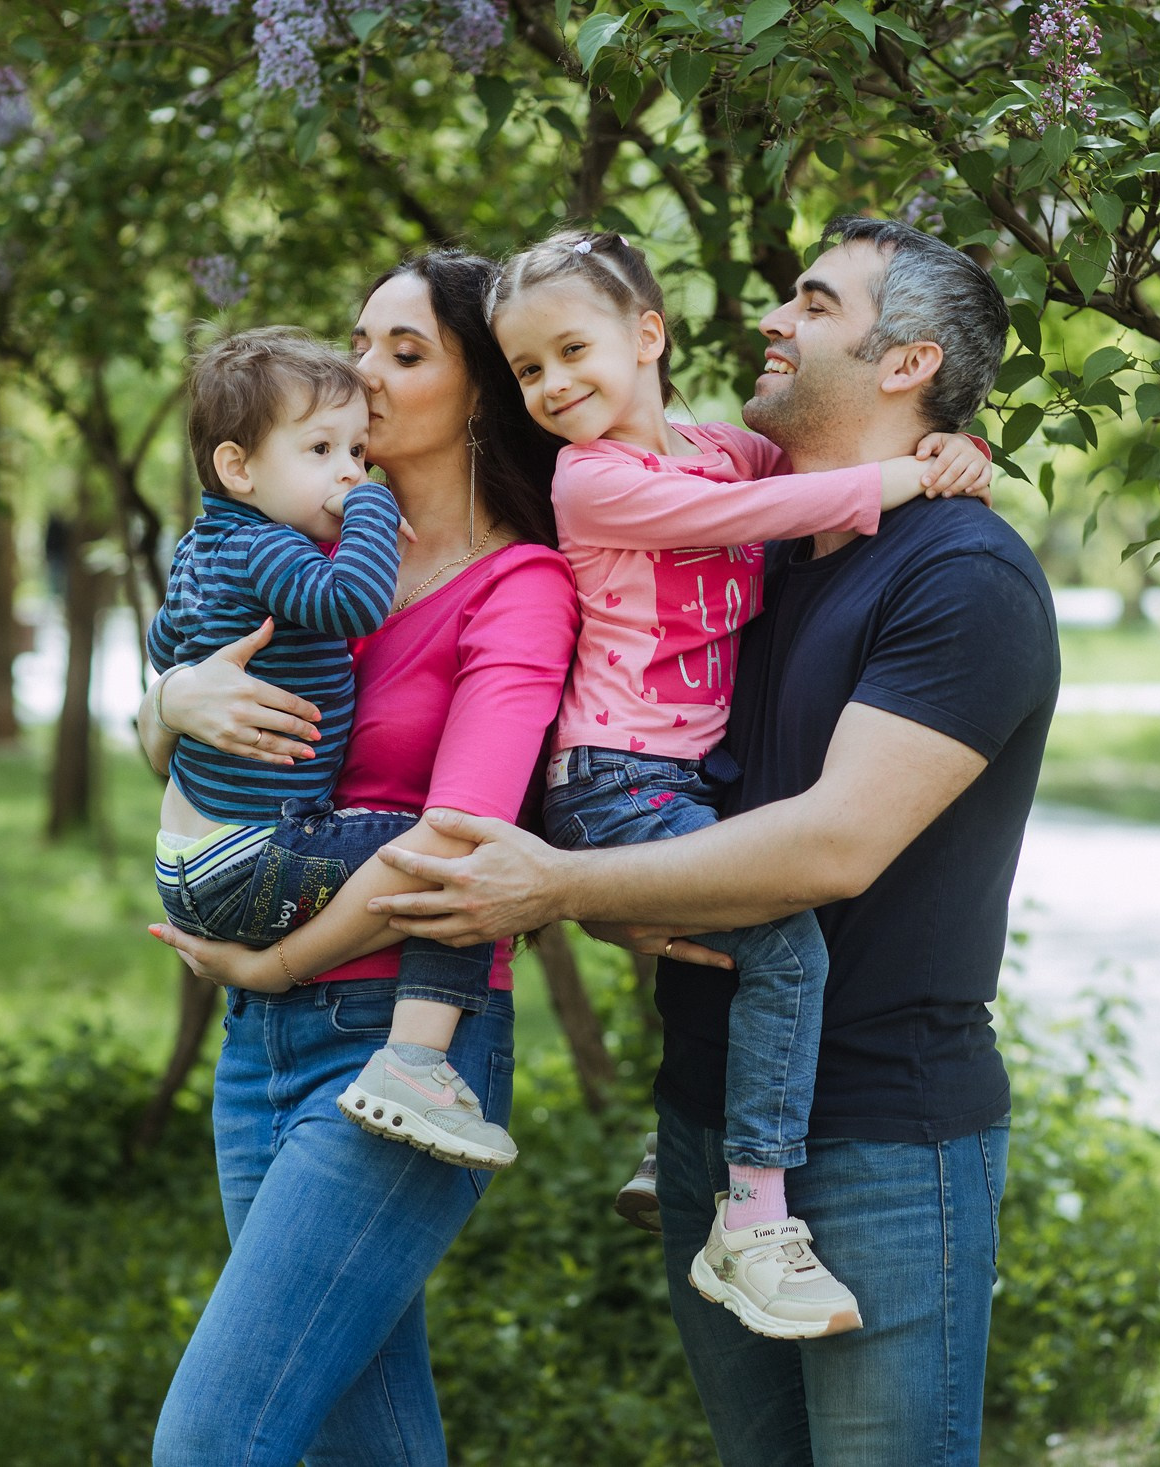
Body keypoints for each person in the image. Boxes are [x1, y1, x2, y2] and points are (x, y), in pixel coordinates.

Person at [365, 217, 1061, 1467]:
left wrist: (561, 885)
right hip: (705, 1122)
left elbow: (831, 848)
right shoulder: (760, 544)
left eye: (815, 302)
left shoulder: (962, 575)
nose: (773, 319)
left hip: (882, 1143)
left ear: (907, 363)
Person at [485, 228, 993, 1341]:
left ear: (647, 336)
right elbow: (758, 515)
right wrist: (909, 474)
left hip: (677, 774)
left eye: (571, 350)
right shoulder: (593, 478)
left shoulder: (722, 452)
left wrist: (955, 448)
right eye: (527, 369)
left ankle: (710, 1162)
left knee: (744, 939)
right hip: (617, 775)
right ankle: (753, 1211)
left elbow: (798, 471)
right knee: (782, 948)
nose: (552, 383)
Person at [140, 251, 578, 1467]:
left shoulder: (519, 587)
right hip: (260, 1051)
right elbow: (196, 736)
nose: (365, 373)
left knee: (213, 1439)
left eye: (406, 351)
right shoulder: (300, 545)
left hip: (394, 1043)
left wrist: (276, 966)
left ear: (481, 389)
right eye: (359, 340)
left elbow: (459, 844)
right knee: (362, 1441)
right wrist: (170, 701)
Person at [147, 326, 514, 1169]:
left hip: (191, 858)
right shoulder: (270, 546)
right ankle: (417, 1066)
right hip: (254, 856)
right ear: (238, 468)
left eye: (356, 452)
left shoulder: (202, 546)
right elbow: (353, 601)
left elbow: (166, 641)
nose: (350, 471)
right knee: (464, 860)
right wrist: (375, 509)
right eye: (321, 451)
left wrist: (177, 684)